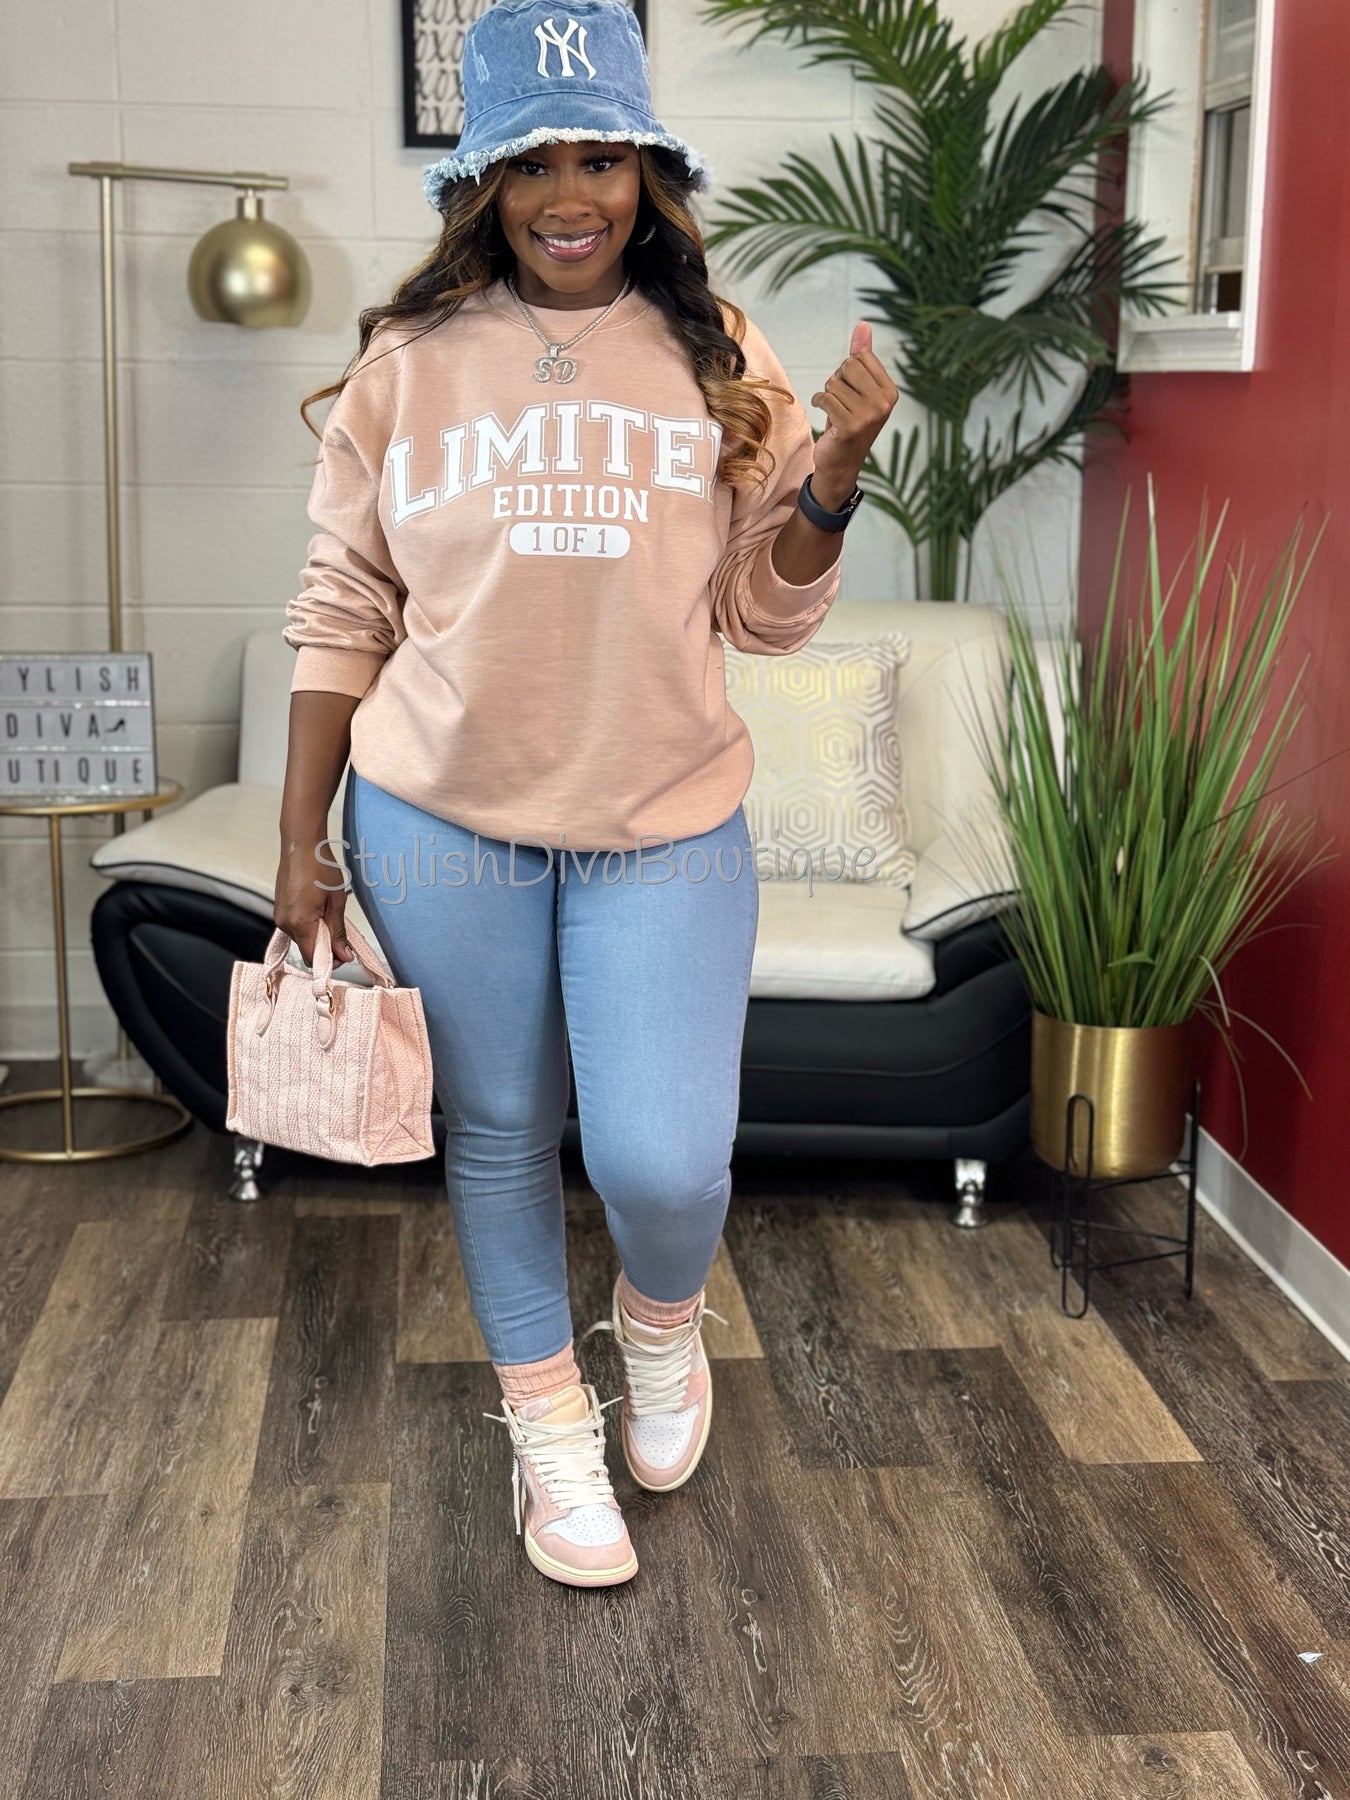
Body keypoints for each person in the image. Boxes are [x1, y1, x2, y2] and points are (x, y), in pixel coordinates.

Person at [273, 0, 898, 1589]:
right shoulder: (408, 362)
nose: (570, 196)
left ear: (645, 176)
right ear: (481, 184)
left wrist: (829, 481)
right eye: (532, 162)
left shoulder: (715, 351)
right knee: (495, 1130)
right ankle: (550, 1431)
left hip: (662, 820)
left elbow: (763, 612)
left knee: (661, 1163)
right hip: (439, 814)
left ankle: (660, 1321)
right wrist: (298, 844)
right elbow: (342, 607)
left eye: (600, 159)